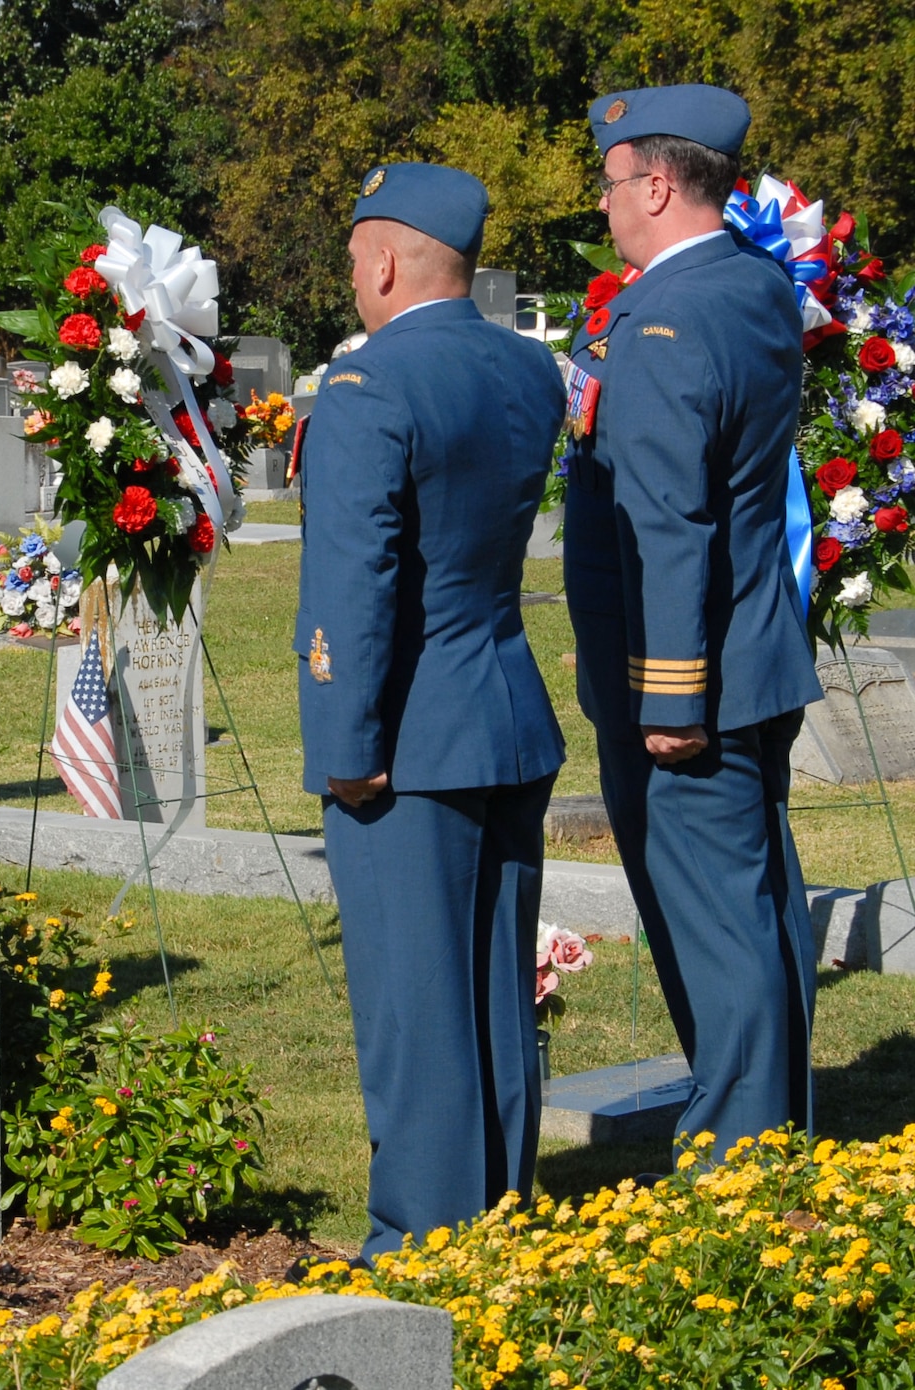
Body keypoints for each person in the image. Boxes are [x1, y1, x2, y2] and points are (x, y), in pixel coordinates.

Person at [295, 162, 566, 1261]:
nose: (354, 276)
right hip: (502, 706)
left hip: (409, 734)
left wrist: (346, 747)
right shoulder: (525, 370)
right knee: (496, 991)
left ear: (386, 261)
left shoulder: (368, 388)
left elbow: (356, 588)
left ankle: (417, 1240)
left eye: (358, 256)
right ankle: (497, 1216)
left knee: (414, 1006)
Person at [563, 85, 821, 1152]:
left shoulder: (664, 316)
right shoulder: (749, 287)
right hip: (752, 648)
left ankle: (737, 1170)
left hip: (683, 677)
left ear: (657, 184)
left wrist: (668, 692)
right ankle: (773, 1138)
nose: (607, 203)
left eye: (613, 182)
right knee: (750, 917)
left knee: (716, 932)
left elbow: (669, 517)